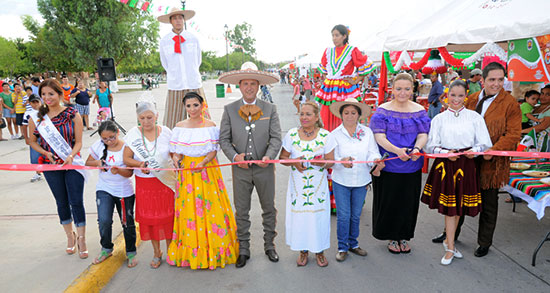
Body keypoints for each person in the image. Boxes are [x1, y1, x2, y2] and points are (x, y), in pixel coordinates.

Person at [453, 62, 522, 257]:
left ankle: (484, 242)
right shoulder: (472, 99)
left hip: (492, 163)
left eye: (501, 79)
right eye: (492, 79)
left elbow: (513, 134)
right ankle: (451, 234)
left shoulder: (510, 104)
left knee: (489, 204)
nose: (497, 84)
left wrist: (494, 149)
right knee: (460, 198)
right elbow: (459, 122)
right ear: (482, 80)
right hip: (466, 158)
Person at [421, 80, 493, 265]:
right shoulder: (439, 119)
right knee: (450, 210)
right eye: (453, 95)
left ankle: (448, 241)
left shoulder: (474, 118)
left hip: (467, 165)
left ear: (466, 96)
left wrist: (474, 150)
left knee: (458, 206)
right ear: (447, 95)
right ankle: (451, 246)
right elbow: (430, 146)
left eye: (460, 95)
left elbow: (484, 143)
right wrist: (446, 153)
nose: (456, 99)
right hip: (446, 166)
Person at [219, 62, 282, 268]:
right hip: (240, 170)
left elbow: (276, 138)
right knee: (242, 210)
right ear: (239, 85)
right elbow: (224, 139)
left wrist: (269, 156)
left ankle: (269, 245)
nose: (249, 87)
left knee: (268, 208)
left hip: (264, 169)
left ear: (258, 86)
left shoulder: (269, 108)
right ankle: (243, 249)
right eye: (245, 83)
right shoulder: (229, 110)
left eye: (252, 84)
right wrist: (235, 157)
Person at [166, 92, 238, 270]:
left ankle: (214, 248)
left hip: (207, 171)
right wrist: (176, 160)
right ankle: (192, 252)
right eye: (188, 106)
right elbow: (177, 152)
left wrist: (203, 163)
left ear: (202, 105)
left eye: (195, 105)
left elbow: (213, 150)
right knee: (189, 209)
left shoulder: (210, 126)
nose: (192, 109)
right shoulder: (179, 127)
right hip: (187, 174)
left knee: (211, 207)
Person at [370, 73, 430, 254]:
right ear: (392, 89)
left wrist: (417, 148)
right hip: (389, 164)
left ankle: (404, 235)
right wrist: (397, 151)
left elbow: (423, 134)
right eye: (399, 89)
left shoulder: (419, 110)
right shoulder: (383, 110)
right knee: (389, 201)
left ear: (413, 89)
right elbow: (379, 136)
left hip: (412, 164)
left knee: (408, 201)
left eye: (407, 89)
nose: (402, 93)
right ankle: (391, 236)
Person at [28, 79, 89, 259]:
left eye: (51, 94)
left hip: (72, 164)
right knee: (61, 201)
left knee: (76, 201)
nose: (47, 98)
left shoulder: (72, 113)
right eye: (44, 94)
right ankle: (70, 236)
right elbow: (31, 141)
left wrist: (71, 155)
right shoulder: (38, 117)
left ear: (60, 94)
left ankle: (82, 238)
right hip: (50, 165)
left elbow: (78, 142)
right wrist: (44, 153)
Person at [279, 101, 335, 267]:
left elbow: (331, 161)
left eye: (308, 114)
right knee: (300, 217)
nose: (304, 117)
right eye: (302, 114)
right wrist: (294, 162)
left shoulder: (326, 136)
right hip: (298, 186)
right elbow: (282, 158)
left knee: (318, 217)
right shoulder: (291, 135)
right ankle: (303, 251)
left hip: (318, 186)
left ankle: (320, 251)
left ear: (316, 117)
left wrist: (322, 163)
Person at [329, 98, 384, 262]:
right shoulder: (334, 135)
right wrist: (341, 161)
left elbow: (372, 152)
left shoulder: (367, 133)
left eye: (353, 113)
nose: (350, 116)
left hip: (361, 181)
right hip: (341, 181)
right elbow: (331, 158)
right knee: (344, 216)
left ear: (359, 115)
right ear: (341, 115)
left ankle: (353, 244)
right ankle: (342, 247)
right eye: (346, 113)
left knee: (355, 215)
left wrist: (375, 161)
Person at [123, 101, 176, 269]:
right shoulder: (133, 135)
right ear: (138, 118)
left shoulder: (166, 132)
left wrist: (176, 162)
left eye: (149, 117)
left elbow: (174, 153)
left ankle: (171, 250)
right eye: (142, 118)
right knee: (152, 219)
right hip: (145, 184)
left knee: (169, 217)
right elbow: (127, 159)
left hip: (165, 182)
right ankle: (156, 252)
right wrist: (140, 165)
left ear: (156, 116)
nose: (146, 121)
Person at [86, 120, 138, 268]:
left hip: (124, 191)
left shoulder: (126, 147)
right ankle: (106, 248)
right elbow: (87, 163)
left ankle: (131, 251)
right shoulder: (99, 146)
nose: (109, 141)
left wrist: (118, 170)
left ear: (118, 133)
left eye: (112, 137)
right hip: (104, 189)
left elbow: (129, 173)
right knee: (104, 220)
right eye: (105, 139)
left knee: (127, 222)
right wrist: (97, 163)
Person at [316, 24, 375, 131]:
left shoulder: (352, 50)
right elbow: (323, 67)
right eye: (333, 35)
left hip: (345, 88)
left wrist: (356, 80)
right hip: (330, 89)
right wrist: (328, 79)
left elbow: (364, 64)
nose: (334, 38)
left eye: (337, 35)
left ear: (344, 36)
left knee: (345, 113)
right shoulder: (328, 51)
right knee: (326, 115)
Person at [158, 7, 210, 129]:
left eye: (180, 18)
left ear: (184, 20)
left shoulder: (193, 38)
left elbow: (198, 60)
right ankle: (174, 144)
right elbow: (164, 63)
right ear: (170, 21)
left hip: (193, 82)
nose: (178, 21)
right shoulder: (165, 41)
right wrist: (174, 74)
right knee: (173, 119)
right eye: (175, 18)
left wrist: (190, 72)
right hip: (175, 84)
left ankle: (206, 141)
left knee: (202, 117)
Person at [22, 94, 43, 182]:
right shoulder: (28, 114)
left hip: (45, 137)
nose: (35, 104)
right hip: (34, 138)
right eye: (33, 102)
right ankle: (38, 173)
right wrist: (26, 138)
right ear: (29, 103)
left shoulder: (46, 111)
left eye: (37, 102)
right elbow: (24, 126)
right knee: (35, 157)